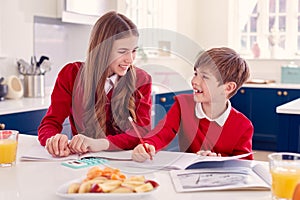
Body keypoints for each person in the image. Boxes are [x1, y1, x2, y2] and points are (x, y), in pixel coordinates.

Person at [38, 11, 152, 157]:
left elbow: (142, 132)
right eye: (122, 51)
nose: (130, 59)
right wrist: (53, 140)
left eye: (134, 51)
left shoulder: (142, 79)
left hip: (127, 163)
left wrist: (101, 144)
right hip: (85, 163)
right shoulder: (71, 74)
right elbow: (50, 123)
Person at [132, 47, 254, 162]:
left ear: (228, 87)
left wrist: (219, 160)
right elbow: (162, 133)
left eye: (205, 77)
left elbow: (244, 165)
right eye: (196, 74)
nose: (194, 81)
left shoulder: (243, 126)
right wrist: (148, 145)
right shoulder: (182, 105)